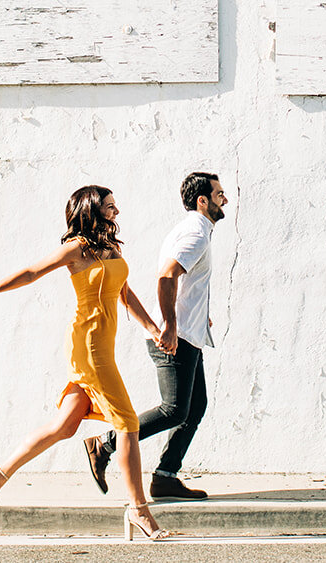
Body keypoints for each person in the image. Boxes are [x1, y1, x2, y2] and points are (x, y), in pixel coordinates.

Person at [0, 184, 172, 540]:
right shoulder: (77, 249)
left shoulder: (111, 248)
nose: (116, 212)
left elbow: (123, 291)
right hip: (90, 349)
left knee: (65, 425)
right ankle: (139, 511)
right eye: (110, 207)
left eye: (116, 206)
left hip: (101, 346)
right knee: (129, 424)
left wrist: (151, 327)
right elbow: (30, 272)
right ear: (91, 210)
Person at [85, 171, 227, 501]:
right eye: (219, 194)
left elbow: (185, 281)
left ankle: (165, 477)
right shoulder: (196, 233)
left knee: (195, 407)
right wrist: (170, 325)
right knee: (174, 409)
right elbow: (166, 277)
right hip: (173, 337)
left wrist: (196, 313)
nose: (226, 200)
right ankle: (103, 444)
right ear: (202, 200)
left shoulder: (196, 231)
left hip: (188, 335)